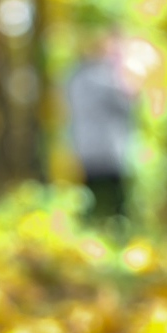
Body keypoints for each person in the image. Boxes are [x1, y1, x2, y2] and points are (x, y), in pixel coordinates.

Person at [66, 34, 139, 221]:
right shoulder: (106, 79)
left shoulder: (74, 79)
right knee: (118, 203)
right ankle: (119, 233)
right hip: (109, 151)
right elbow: (127, 104)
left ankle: (86, 235)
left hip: (84, 148)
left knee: (89, 200)